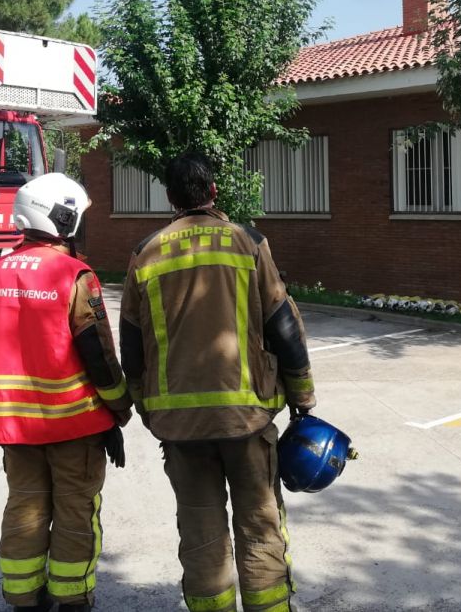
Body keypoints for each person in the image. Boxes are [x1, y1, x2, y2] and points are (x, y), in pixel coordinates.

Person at [120, 152, 317, 612]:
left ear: (169, 197)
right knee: (260, 526)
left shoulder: (144, 253)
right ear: (213, 191)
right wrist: (303, 400)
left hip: (179, 427)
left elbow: (131, 341)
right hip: (246, 419)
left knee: (200, 534)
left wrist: (141, 404)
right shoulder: (247, 243)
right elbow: (282, 324)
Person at [0, 173, 131, 612]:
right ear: (63, 218)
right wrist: (118, 412)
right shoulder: (74, 275)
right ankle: (71, 597)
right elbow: (98, 354)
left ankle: (22, 596)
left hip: (12, 427)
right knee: (76, 511)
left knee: (24, 507)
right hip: (75, 425)